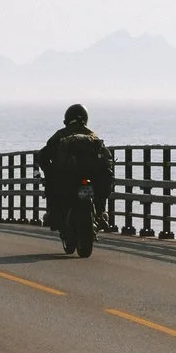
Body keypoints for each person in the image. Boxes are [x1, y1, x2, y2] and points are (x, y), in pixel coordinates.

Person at [35, 103, 113, 248]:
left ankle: (54, 217)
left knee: (53, 191)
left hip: (67, 179)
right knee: (100, 194)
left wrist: (49, 171)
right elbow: (106, 159)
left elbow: (43, 155)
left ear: (67, 119)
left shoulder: (60, 135)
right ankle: (101, 214)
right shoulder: (92, 136)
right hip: (91, 179)